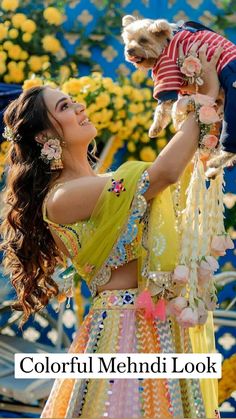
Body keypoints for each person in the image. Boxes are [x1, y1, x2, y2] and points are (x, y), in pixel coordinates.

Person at [0, 44, 222, 418]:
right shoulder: (63, 197)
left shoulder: (103, 184)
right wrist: (206, 101)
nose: (79, 108)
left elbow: (172, 177)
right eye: (65, 107)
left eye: (73, 102)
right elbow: (162, 174)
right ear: (43, 137)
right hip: (124, 336)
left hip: (160, 326)